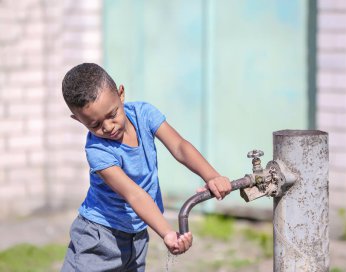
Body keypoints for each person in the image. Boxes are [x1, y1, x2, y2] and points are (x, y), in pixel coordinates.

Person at [60, 63, 232, 272]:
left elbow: (179, 147)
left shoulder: (144, 114)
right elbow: (134, 194)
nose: (107, 127)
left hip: (136, 234)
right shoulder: (98, 151)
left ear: (121, 94)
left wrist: (212, 176)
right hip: (98, 238)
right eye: (94, 125)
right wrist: (168, 232)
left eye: (112, 114)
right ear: (78, 120)